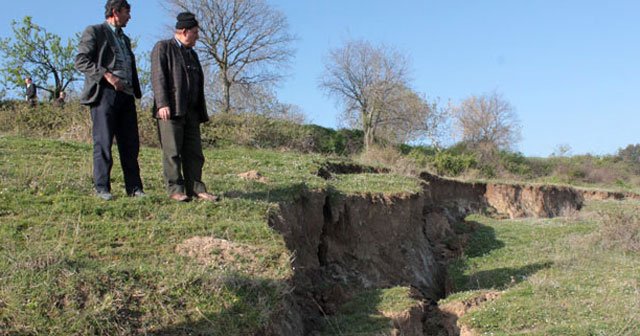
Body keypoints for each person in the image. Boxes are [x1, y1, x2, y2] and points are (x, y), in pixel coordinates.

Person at [75, 0, 144, 201]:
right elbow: (81, 60)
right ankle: (102, 188)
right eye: (126, 12)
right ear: (115, 12)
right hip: (104, 94)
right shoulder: (95, 31)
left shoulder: (125, 39)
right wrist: (108, 76)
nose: (129, 17)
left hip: (127, 95)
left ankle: (134, 188)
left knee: (130, 144)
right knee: (103, 142)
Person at [151, 12, 218, 202]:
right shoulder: (163, 47)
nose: (197, 36)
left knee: (195, 152)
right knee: (172, 152)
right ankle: (175, 190)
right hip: (170, 111)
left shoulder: (193, 54)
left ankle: (196, 188)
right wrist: (162, 103)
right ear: (183, 31)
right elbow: (158, 77)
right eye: (195, 32)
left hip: (192, 112)